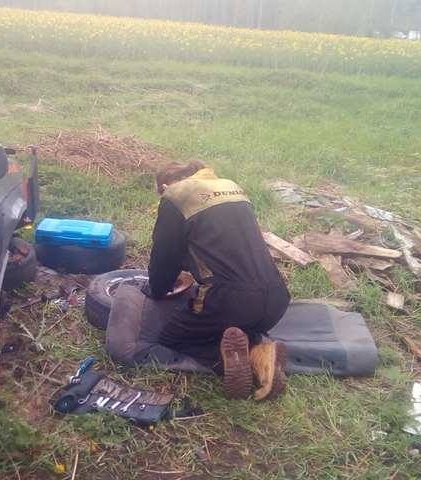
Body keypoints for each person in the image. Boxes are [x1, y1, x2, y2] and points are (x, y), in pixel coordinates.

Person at [105, 161, 291, 401]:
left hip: (231, 300)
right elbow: (220, 246)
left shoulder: (176, 196)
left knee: (173, 337)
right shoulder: (229, 187)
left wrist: (157, 289)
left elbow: (165, 256)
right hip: (277, 299)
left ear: (165, 186)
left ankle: (252, 357)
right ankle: (262, 346)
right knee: (235, 325)